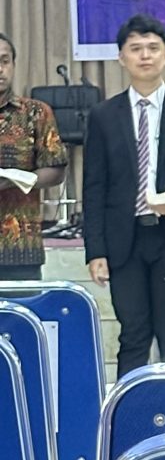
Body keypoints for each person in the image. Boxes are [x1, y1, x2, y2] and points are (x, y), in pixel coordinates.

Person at [82, 15, 165, 376]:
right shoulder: (103, 115)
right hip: (126, 240)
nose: (145, 56)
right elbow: (94, 186)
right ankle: (129, 406)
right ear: (121, 58)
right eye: (135, 49)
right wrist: (96, 250)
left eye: (153, 48)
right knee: (133, 335)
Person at [0, 32, 67, 280]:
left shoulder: (36, 113)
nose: (0, 69)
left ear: (14, 64)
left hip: (21, 248)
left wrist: (19, 179)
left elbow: (56, 169)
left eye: (5, 61)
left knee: (22, 307)